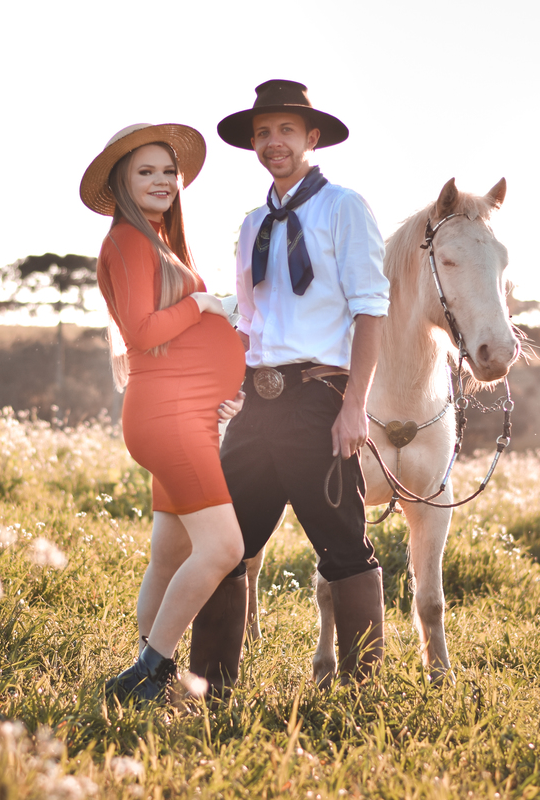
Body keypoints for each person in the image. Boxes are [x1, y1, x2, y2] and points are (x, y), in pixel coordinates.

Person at [187, 80, 390, 692]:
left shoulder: (344, 208)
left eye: (286, 131)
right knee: (226, 545)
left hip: (319, 400)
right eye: (263, 133)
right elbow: (248, 320)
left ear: (311, 138)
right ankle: (210, 688)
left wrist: (354, 406)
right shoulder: (253, 224)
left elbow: (371, 310)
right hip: (257, 403)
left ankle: (360, 694)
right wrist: (224, 383)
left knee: (343, 547)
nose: (273, 142)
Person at [79, 123, 247, 703]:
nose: (162, 181)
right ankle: (148, 674)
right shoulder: (129, 240)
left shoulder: (156, 241)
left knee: (171, 553)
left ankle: (146, 668)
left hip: (184, 413)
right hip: (167, 418)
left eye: (168, 171)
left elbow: (178, 346)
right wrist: (203, 303)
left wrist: (220, 387)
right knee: (223, 548)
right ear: (122, 183)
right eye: (145, 171)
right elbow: (143, 332)